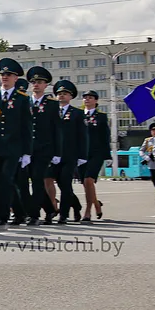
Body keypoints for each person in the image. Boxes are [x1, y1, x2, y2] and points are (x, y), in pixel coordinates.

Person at [0, 59, 33, 228]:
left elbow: (27, 127)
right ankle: (20, 213)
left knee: (6, 180)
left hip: (14, 148)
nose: (5, 77)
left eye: (9, 75)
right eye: (3, 74)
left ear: (16, 78)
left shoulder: (22, 99)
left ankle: (3, 216)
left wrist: (27, 152)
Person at [27, 66, 60, 224]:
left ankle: (33, 214)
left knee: (37, 180)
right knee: (29, 181)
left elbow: (57, 130)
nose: (36, 85)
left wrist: (57, 153)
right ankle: (50, 209)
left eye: (40, 82)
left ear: (46, 85)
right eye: (34, 82)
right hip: (27, 149)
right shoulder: (25, 102)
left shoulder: (52, 105)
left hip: (45, 149)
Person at [53, 80, 88, 224]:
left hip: (70, 155)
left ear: (71, 96)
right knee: (60, 184)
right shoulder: (51, 111)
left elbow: (83, 136)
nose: (62, 96)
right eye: (59, 94)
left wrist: (82, 155)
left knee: (66, 184)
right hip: (53, 155)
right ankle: (76, 205)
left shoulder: (77, 114)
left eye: (65, 94)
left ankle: (63, 214)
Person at [80, 90, 109, 220]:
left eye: (90, 97)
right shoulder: (78, 115)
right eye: (85, 97)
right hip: (81, 153)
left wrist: (107, 156)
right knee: (86, 184)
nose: (87, 99)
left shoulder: (101, 117)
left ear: (96, 101)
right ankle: (96, 204)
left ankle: (87, 210)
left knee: (88, 180)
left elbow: (105, 136)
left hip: (96, 153)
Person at [139, 123, 155, 200]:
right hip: (152, 163)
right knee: (154, 179)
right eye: (153, 130)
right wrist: (146, 157)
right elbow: (141, 150)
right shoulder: (148, 140)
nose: (154, 132)